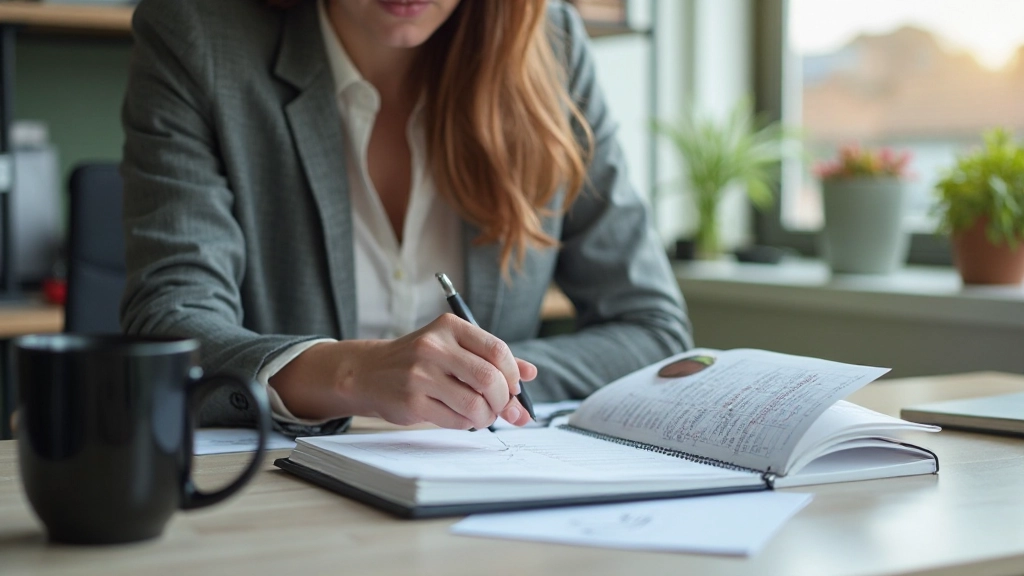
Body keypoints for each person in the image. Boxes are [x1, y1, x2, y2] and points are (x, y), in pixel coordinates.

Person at [120, 0, 692, 437]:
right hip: (275, 505)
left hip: (480, 501)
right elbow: (171, 325)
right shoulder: (197, 36)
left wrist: (476, 381)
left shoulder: (550, 44)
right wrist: (351, 375)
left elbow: (652, 330)